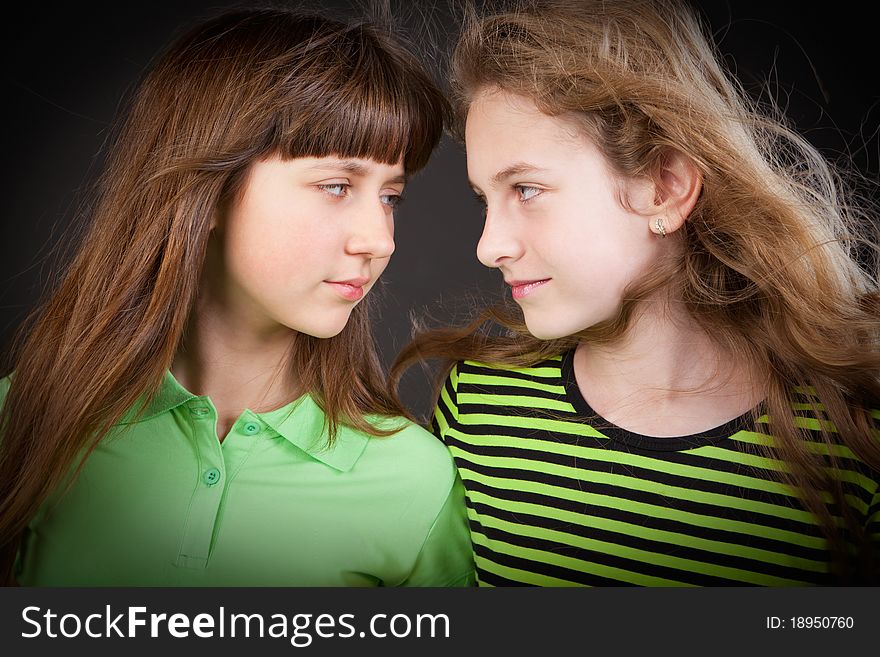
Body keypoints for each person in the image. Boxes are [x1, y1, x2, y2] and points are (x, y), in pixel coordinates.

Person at [391, 0, 879, 585]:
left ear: (664, 188)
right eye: (483, 200)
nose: (489, 245)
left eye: (525, 189)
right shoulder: (480, 407)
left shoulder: (854, 430)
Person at [0, 7, 474, 587]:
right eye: (336, 186)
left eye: (390, 197)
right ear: (211, 190)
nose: (378, 241)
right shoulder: (24, 420)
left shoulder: (414, 479)